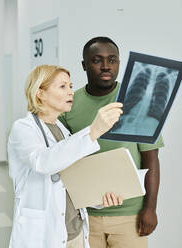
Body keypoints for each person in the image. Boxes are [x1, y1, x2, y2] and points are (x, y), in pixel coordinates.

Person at [59, 37, 164, 248]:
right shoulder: (69, 104)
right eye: (97, 60)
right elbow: (61, 158)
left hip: (129, 214)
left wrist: (150, 208)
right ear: (84, 65)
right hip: (84, 213)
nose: (106, 66)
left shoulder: (138, 102)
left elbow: (151, 158)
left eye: (112, 60)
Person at [8, 65, 124, 248]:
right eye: (62, 86)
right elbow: (43, 162)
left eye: (71, 86)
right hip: (44, 235)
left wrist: (100, 198)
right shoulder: (23, 129)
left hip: (74, 231)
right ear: (40, 93)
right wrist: (93, 131)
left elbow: (73, 182)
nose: (71, 92)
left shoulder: (63, 131)